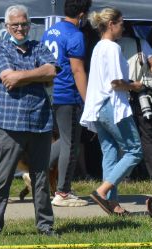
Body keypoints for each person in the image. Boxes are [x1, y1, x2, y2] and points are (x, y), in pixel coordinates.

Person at [0, 4, 58, 238]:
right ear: (7, 27)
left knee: (41, 177)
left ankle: (45, 225)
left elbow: (52, 71)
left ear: (29, 24)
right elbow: (6, 78)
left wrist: (20, 76)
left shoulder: (39, 47)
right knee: (2, 177)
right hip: (8, 124)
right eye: (15, 25)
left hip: (40, 121)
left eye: (24, 24)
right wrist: (38, 73)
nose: (20, 28)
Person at [80, 7, 143, 217]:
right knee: (134, 150)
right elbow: (116, 82)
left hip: (98, 106)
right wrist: (135, 86)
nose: (123, 27)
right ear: (111, 24)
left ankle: (111, 203)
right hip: (112, 105)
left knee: (111, 151)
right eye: (122, 23)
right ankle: (102, 191)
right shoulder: (113, 48)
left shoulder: (98, 47)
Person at [43, 0, 91, 208]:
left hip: (51, 92)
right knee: (71, 144)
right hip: (68, 94)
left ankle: (35, 170)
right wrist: (89, 101)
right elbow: (77, 70)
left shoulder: (51, 31)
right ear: (82, 15)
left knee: (63, 140)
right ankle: (63, 191)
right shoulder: (76, 35)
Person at [117, 23, 152, 181]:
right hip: (141, 94)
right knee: (148, 136)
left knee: (124, 136)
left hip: (120, 95)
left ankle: (125, 176)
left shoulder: (113, 45)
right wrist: (144, 74)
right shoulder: (141, 43)